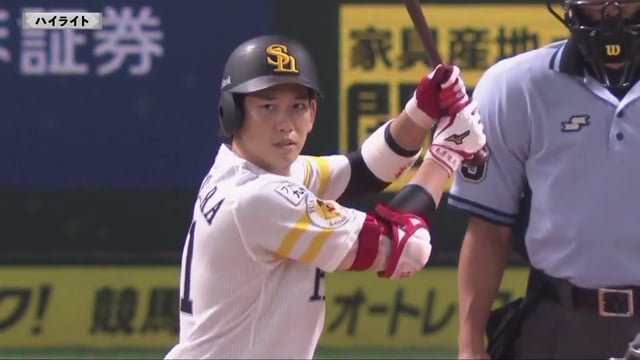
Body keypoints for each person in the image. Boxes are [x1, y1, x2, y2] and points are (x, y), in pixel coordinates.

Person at [164, 34, 485, 359]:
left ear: (313, 113)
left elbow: (365, 169)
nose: (285, 124)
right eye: (268, 106)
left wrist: (422, 109)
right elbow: (406, 249)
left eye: (297, 106)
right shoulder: (256, 198)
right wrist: (446, 154)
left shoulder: (256, 172)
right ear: (232, 113)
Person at [450, 1, 640, 359]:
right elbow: (488, 228)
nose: (613, 12)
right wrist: (469, 346)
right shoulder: (513, 87)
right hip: (559, 321)